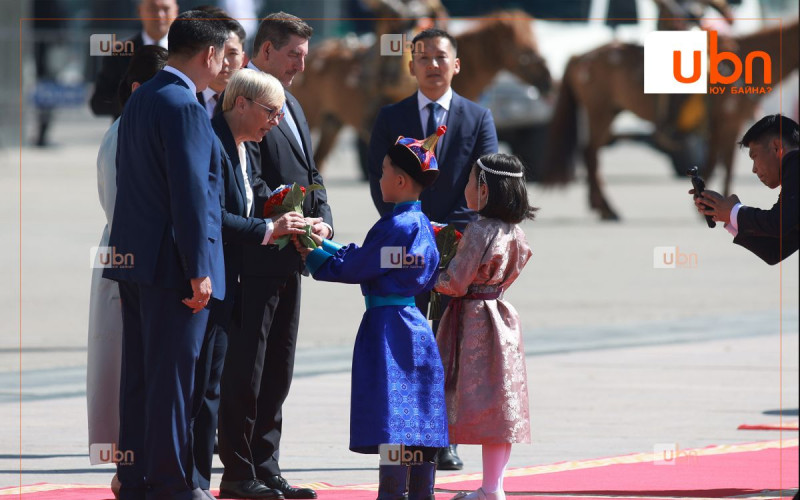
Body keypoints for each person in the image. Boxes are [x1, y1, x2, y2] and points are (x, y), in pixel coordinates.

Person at [103, 10, 228, 500]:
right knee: (175, 380)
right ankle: (172, 482)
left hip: (135, 260)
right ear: (209, 53)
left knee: (139, 378)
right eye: (223, 56)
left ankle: (134, 477)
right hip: (174, 267)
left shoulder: (143, 97)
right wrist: (199, 270)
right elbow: (192, 195)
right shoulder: (184, 105)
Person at [367, 27, 498, 470]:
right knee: (406, 342)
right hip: (405, 247)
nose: (433, 65)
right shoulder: (391, 116)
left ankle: (445, 437)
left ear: (456, 64)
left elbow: (488, 185)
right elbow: (378, 182)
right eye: (423, 58)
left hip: (456, 250)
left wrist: (457, 242)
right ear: (412, 66)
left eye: (441, 57)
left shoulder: (477, 117)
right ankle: (406, 433)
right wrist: (411, 231)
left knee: (450, 345)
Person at [297, 127, 449, 500]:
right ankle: (420, 494)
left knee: (395, 421)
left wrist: (311, 254)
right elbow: (378, 260)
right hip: (415, 327)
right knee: (419, 418)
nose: (378, 178)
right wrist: (328, 244)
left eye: (382, 172)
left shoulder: (396, 226)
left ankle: (392, 495)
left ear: (399, 180)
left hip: (387, 332)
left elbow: (362, 266)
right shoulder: (423, 226)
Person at [217, 12, 332, 500]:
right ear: (265, 52)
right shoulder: (246, 108)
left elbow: (312, 173)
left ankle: (267, 465)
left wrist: (322, 218)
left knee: (279, 368)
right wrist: (288, 218)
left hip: (293, 257)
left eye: (305, 57)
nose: (300, 67)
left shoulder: (295, 107)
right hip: (257, 258)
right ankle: (238, 471)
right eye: (293, 56)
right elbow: (251, 181)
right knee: (248, 368)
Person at [193, 68, 308, 500]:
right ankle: (209, 478)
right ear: (240, 103)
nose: (276, 121)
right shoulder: (213, 142)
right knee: (217, 385)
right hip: (214, 281)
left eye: (281, 113)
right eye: (270, 112)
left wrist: (295, 221)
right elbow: (211, 216)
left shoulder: (242, 145)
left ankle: (242, 473)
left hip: (239, 277)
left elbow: (252, 194)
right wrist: (267, 227)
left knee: (250, 378)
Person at [87, 44, 168, 500]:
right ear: (138, 89)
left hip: (137, 261)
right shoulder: (123, 133)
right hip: (129, 262)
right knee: (125, 370)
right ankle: (127, 468)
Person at [434, 153, 535, 500]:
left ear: (485, 189)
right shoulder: (515, 232)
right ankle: (494, 487)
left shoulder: (478, 230)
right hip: (502, 317)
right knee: (499, 407)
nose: (464, 188)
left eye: (469, 180)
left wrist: (433, 276)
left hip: (473, 320)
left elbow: (457, 282)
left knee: (460, 395)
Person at [692, 114, 799, 265]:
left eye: (754, 157)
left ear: (777, 147)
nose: (754, 169)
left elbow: (777, 223)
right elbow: (774, 251)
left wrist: (735, 211)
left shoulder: (795, 164)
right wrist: (728, 215)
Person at [90, 0, 178, 119]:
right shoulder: (119, 53)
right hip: (130, 131)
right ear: (139, 11)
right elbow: (98, 103)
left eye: (166, 9)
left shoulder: (184, 51)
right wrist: (131, 99)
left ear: (176, 11)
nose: (159, 15)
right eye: (153, 9)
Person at [195, 7, 246, 118]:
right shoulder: (188, 97)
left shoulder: (251, 101)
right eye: (217, 53)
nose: (225, 62)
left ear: (242, 58)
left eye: (232, 53)